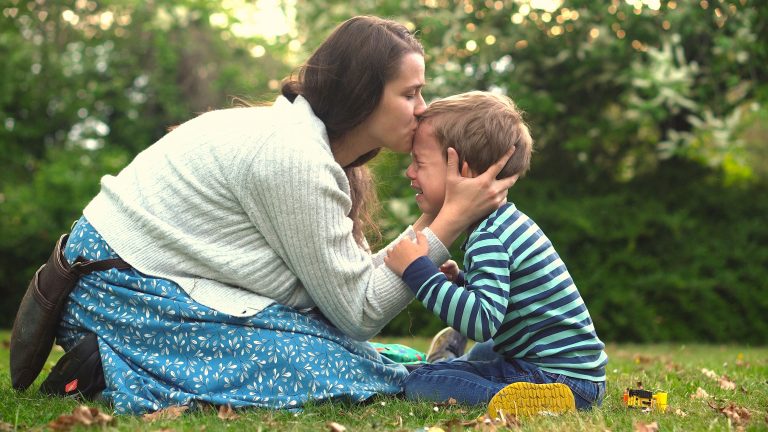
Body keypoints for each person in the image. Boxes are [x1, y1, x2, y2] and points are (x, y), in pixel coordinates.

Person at [10, 17, 518, 414]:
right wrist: (450, 219)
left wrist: (433, 228)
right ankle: (115, 359)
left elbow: (348, 287)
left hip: (149, 285)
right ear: (364, 95)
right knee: (317, 366)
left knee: (332, 349)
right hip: (121, 293)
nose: (422, 109)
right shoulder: (293, 157)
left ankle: (440, 372)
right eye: (410, 94)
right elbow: (357, 311)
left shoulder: (310, 150)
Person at [384, 91, 608, 416]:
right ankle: (453, 363)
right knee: (485, 354)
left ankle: (466, 374)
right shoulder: (501, 225)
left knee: (420, 383)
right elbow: (506, 307)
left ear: (464, 171)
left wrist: (419, 272)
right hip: (575, 374)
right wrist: (461, 282)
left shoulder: (490, 237)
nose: (409, 173)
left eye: (419, 163)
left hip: (559, 380)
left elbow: (482, 321)